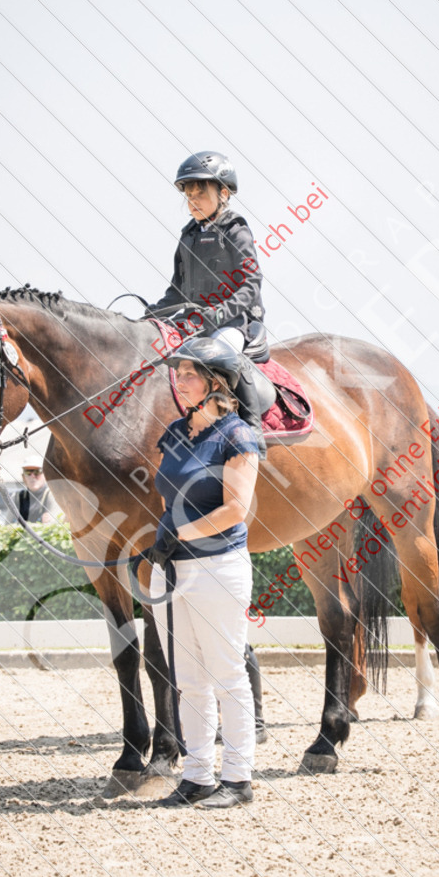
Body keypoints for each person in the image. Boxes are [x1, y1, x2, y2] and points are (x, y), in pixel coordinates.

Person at [149, 338, 259, 809]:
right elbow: (166, 497)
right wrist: (162, 537)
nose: (180, 380)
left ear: (216, 382)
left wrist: (184, 533)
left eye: (189, 373)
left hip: (218, 567)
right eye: (179, 372)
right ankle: (197, 775)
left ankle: (237, 779)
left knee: (226, 673)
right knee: (187, 678)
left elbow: (235, 509)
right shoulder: (174, 432)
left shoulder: (238, 435)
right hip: (172, 569)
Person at [145, 151, 267, 458]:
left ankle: (252, 429)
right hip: (196, 321)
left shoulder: (235, 229)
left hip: (233, 321)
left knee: (225, 354)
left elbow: (251, 283)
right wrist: (152, 314)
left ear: (223, 193)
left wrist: (219, 313)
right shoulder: (188, 235)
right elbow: (177, 289)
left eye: (201, 193)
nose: (193, 201)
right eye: (189, 196)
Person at [14, 455, 60, 523]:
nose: (32, 476)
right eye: (28, 472)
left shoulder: (53, 495)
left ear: (45, 475)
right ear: (23, 477)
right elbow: (7, 524)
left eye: (37, 471)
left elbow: (54, 525)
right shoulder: (17, 497)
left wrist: (49, 521)